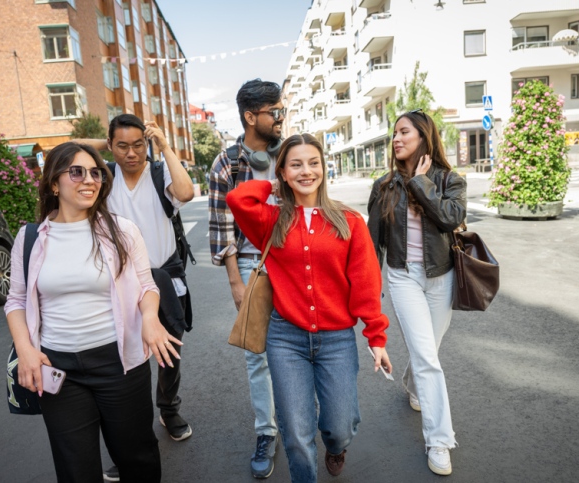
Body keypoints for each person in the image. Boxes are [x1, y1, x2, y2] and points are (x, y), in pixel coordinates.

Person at [4, 142, 182, 482]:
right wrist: (26, 351)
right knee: (75, 469)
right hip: (57, 367)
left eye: (96, 172)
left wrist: (149, 319)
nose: (89, 180)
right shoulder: (30, 238)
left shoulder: (121, 230)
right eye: (76, 171)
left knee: (137, 458)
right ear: (54, 184)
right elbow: (16, 300)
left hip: (119, 363)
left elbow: (147, 286)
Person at [226, 133, 393, 483]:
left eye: (314, 163)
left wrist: (375, 335)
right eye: (296, 164)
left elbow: (366, 283)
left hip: (336, 339)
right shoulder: (271, 220)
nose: (307, 171)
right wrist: (272, 185)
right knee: (297, 435)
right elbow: (238, 198)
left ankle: (337, 446)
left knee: (339, 426)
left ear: (324, 167)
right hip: (285, 338)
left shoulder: (349, 222)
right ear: (283, 172)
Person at [75, 114, 195, 482]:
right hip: (118, 284)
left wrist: (164, 144)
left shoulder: (159, 175)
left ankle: (168, 407)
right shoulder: (101, 179)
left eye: (139, 144)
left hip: (163, 275)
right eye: (122, 145)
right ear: (110, 147)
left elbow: (188, 193)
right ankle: (131, 446)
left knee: (169, 349)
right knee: (126, 363)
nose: (132, 153)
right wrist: (101, 144)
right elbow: (71, 154)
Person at [367, 110, 466, 476]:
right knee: (427, 356)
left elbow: (452, 218)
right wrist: (370, 293)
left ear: (423, 136)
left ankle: (412, 384)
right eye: (393, 133)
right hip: (402, 276)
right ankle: (440, 441)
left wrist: (422, 183)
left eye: (403, 132)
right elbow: (371, 243)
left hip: (441, 277)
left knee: (429, 353)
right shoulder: (384, 186)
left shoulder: (448, 180)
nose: (396, 138)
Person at [208, 79, 284, 479]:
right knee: (257, 357)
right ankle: (266, 432)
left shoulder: (291, 152)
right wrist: (236, 282)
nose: (281, 117)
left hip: (295, 265)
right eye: (275, 111)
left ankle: (299, 424)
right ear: (251, 116)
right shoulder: (227, 163)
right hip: (254, 267)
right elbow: (222, 230)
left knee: (302, 349)